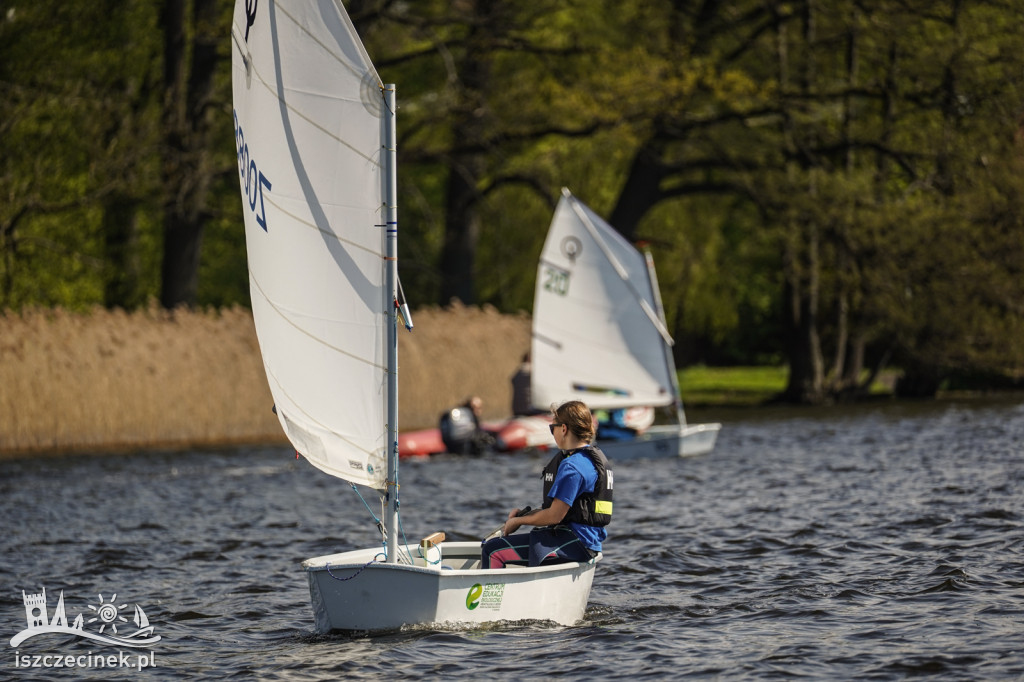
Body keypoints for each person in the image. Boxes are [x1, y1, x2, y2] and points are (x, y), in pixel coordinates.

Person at [480, 400, 613, 568]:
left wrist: (518, 522)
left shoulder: (572, 466)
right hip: (588, 541)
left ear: (563, 429)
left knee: (493, 550)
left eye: (553, 428)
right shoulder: (591, 460)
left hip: (575, 543)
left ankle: (494, 595)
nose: (553, 433)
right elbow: (566, 511)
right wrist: (523, 515)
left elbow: (554, 516)